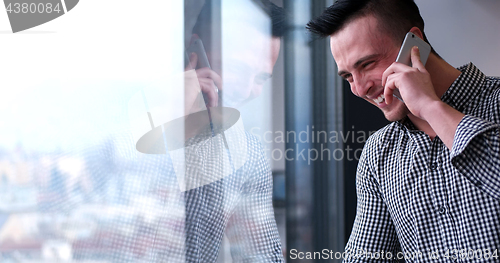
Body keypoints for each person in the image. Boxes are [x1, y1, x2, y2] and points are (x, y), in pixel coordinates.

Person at [307, 0, 500, 262]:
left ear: (415, 44)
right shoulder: (378, 154)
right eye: (348, 76)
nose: (359, 89)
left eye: (366, 64)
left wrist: (430, 107)